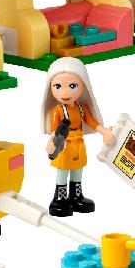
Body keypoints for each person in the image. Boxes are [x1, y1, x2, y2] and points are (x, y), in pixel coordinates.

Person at [40, 57, 114, 217]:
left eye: (72, 86)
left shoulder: (81, 107)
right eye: (58, 86)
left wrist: (104, 131)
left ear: (83, 85)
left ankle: (76, 196)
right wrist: (52, 142)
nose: (65, 93)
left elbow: (91, 122)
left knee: (77, 170)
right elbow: (54, 130)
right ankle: (59, 199)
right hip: (64, 144)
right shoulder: (58, 111)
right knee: (62, 171)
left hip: (78, 143)